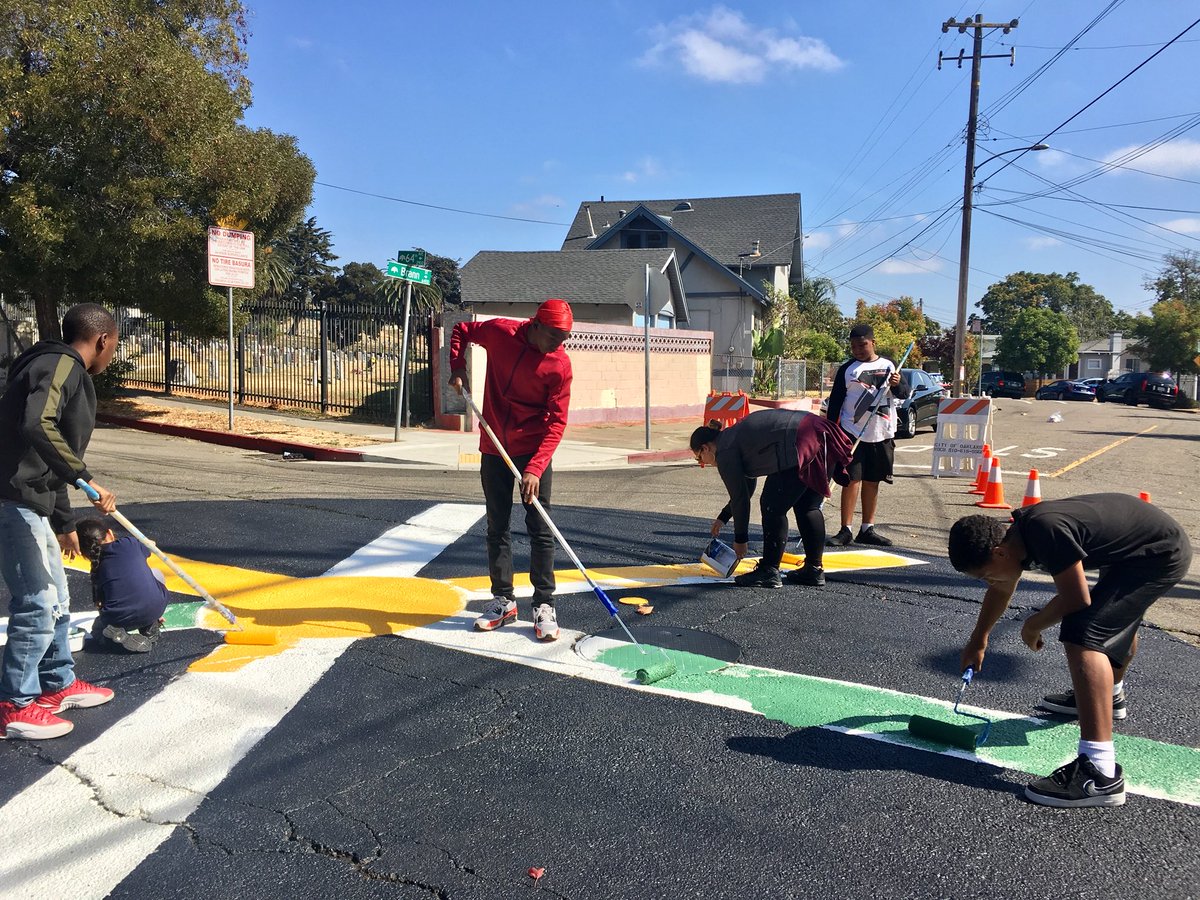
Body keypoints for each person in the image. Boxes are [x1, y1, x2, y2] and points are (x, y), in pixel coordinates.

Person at [948, 493, 1192, 808]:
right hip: (1135, 549)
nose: (989, 582)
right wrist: (978, 639)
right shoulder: (1017, 539)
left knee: (1082, 631)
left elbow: (1076, 597)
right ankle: (1108, 696)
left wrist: (1033, 625)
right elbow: (1002, 587)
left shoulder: (1043, 530)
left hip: (1158, 552)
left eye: (985, 575)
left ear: (999, 552)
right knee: (1109, 620)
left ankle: (1099, 773)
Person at [0, 303, 120, 741]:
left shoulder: (59, 367)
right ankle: (14, 704)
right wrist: (85, 478)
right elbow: (38, 425)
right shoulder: (61, 365)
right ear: (103, 340)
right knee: (36, 601)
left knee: (58, 599)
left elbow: (46, 460)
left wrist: (64, 520)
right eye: (115, 346)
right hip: (12, 500)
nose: (112, 355)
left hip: (33, 500)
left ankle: (57, 684)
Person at [448, 299, 574, 641]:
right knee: (497, 526)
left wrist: (535, 467)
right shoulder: (501, 333)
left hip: (532, 452)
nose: (557, 344)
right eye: (553, 336)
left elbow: (557, 423)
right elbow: (462, 329)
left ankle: (544, 605)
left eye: (563, 337)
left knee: (540, 529)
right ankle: (503, 601)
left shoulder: (559, 366)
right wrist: (458, 367)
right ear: (535, 325)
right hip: (494, 448)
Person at [691, 409, 853, 588]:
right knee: (808, 506)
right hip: (820, 434)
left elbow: (740, 498)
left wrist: (740, 539)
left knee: (772, 505)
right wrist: (724, 517)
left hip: (800, 440)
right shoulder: (733, 437)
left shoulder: (725, 450)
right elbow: (746, 489)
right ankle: (814, 570)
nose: (702, 462)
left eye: (700, 458)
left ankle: (769, 570)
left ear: (705, 447)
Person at [825, 323, 909, 548]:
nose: (858, 350)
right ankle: (845, 530)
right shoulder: (847, 369)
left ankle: (867, 529)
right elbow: (835, 402)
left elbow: (904, 393)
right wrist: (830, 430)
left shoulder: (889, 364)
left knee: (873, 481)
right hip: (851, 432)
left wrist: (897, 383)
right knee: (851, 480)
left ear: (873, 342)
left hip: (881, 432)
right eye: (853, 346)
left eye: (862, 345)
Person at [76, 518, 168, 653]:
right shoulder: (130, 543)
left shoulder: (97, 568)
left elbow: (102, 605)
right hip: (156, 606)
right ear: (110, 534)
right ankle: (151, 623)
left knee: (97, 628)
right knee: (156, 573)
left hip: (120, 618)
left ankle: (117, 639)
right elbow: (151, 545)